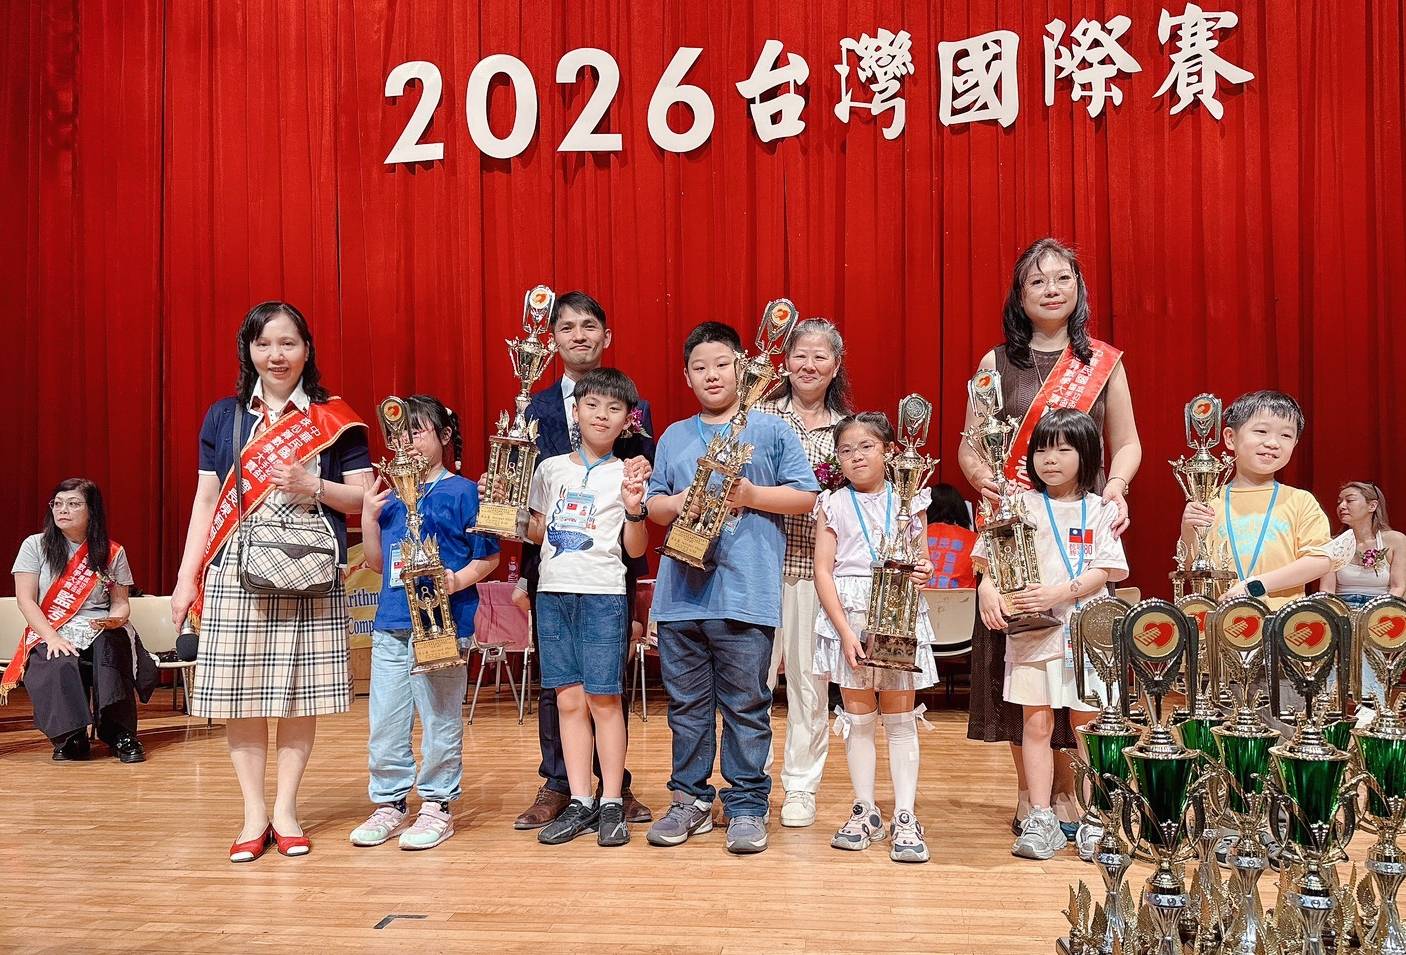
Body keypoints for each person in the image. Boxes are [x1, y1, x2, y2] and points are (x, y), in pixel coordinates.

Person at [170, 301, 372, 862]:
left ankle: (286, 810)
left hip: (310, 566)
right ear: (249, 351)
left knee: (300, 693)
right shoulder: (225, 416)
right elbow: (206, 500)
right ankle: (253, 813)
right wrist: (187, 578)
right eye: (264, 344)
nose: (276, 355)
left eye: (287, 343)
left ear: (307, 349)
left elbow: (363, 499)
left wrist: (314, 485)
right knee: (240, 696)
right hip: (235, 567)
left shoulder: (335, 417)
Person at [956, 237, 1142, 837]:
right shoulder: (995, 363)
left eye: (1063, 278)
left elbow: (1127, 442)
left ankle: (1072, 791)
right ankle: (1032, 793)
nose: (1051, 289)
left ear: (1078, 288)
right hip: (1016, 532)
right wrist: (987, 480)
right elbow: (970, 444)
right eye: (1037, 281)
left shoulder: (1103, 362)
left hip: (1080, 533)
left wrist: (1116, 489)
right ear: (1019, 295)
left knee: (1079, 680)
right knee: (1021, 672)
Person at [643, 321, 820, 854]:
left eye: (722, 364)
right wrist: (678, 503)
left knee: (746, 706)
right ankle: (690, 800)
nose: (712, 375)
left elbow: (806, 496)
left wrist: (750, 495)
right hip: (680, 597)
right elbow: (653, 505)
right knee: (686, 708)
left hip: (746, 595)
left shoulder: (772, 430)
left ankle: (745, 805)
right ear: (687, 376)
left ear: (742, 367)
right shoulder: (674, 436)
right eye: (700, 367)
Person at [511, 291, 655, 830]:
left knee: (607, 690)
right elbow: (530, 510)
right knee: (562, 693)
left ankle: (615, 791)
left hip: (608, 577)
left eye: (589, 325)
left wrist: (637, 584)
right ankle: (563, 788)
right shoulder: (535, 409)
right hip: (552, 576)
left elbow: (637, 510)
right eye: (567, 327)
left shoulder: (635, 413)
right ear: (552, 339)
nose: (579, 335)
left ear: (605, 335)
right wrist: (518, 562)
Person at [975, 409, 1129, 860]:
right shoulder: (1018, 504)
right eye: (1042, 449)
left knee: (1088, 727)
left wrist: (1061, 592)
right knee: (1036, 724)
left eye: (1063, 449)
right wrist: (986, 588)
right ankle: (1040, 817)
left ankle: (1095, 816)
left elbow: (1107, 568)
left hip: (1088, 634)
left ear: (1087, 454)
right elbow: (989, 559)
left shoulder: (1101, 509)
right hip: (1032, 632)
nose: (1050, 459)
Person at [350, 396, 500, 852]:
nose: (407, 442)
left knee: (439, 719)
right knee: (386, 721)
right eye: (398, 435)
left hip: (442, 626)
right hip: (392, 624)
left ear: (444, 435)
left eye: (417, 431)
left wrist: (455, 581)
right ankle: (390, 802)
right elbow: (377, 562)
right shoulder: (390, 493)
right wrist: (368, 516)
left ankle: (437, 804)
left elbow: (489, 558)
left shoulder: (464, 491)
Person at [813, 412, 937, 863]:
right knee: (859, 717)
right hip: (850, 616)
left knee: (900, 720)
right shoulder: (832, 503)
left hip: (899, 612)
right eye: (846, 450)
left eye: (866, 446)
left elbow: (923, 560)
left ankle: (905, 814)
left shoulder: (911, 497)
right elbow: (822, 571)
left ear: (888, 450)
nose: (856, 456)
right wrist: (845, 631)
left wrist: (923, 570)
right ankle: (865, 809)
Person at [756, 317, 853, 828]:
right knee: (749, 684)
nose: (809, 365)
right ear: (785, 361)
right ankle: (749, 784)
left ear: (836, 366)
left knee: (809, 689)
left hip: (816, 576)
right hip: (756, 567)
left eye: (820, 356)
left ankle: (800, 787)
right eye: (800, 355)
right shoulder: (757, 415)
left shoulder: (849, 431)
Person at [6, 478, 154, 762]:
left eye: (73, 504)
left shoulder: (112, 551)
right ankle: (71, 737)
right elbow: (26, 600)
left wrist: (115, 620)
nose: (63, 510)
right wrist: (51, 637)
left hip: (99, 625)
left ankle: (120, 734)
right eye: (57, 503)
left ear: (91, 511)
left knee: (110, 650)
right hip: (51, 626)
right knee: (56, 659)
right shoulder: (34, 545)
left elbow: (120, 602)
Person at [1319, 482, 1406, 714]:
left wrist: (1372, 618)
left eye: (1349, 500)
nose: (1341, 506)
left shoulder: (1395, 540)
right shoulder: (1334, 544)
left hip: (1379, 614)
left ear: (1372, 506)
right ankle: (1331, 711)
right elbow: (1327, 592)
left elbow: (1398, 587)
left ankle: (1370, 709)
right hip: (1342, 613)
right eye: (1339, 501)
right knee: (1335, 649)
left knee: (1366, 650)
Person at [924, 483, 978, 589]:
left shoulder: (915, 536)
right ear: (959, 507)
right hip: (961, 598)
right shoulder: (975, 539)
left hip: (920, 597)